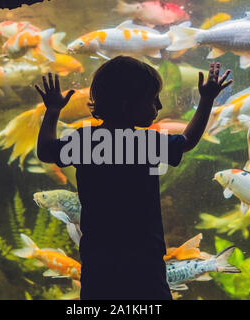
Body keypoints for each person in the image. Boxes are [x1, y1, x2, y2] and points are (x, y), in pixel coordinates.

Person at [35, 56, 232, 300]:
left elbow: (45, 151)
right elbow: (187, 141)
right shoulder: (145, 142)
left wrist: (52, 110)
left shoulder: (84, 140)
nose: (158, 106)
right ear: (127, 104)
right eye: (153, 99)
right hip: (144, 257)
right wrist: (206, 101)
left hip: (98, 258)